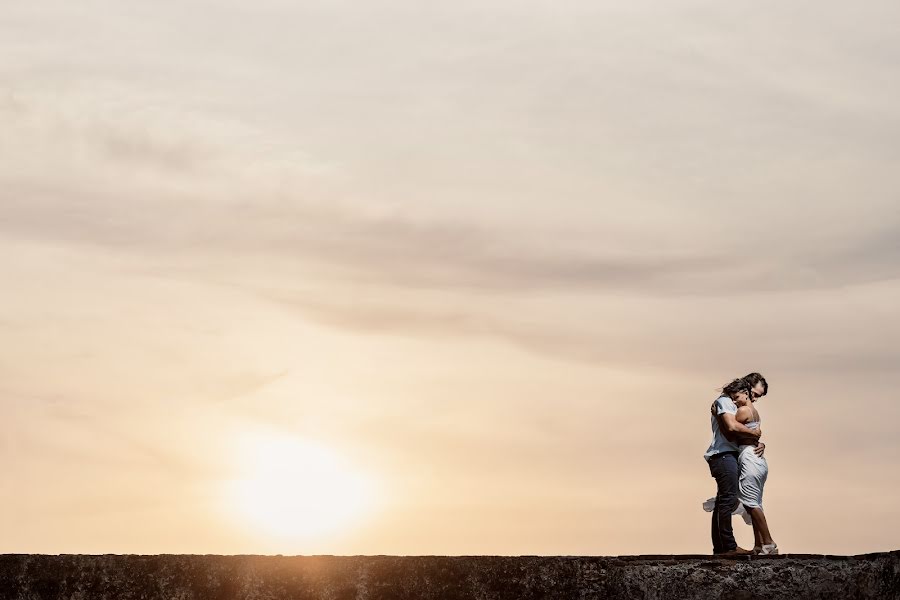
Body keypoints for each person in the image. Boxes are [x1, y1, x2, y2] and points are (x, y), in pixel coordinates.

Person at [702, 376, 765, 555]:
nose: (754, 399)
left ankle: (722, 547)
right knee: (728, 499)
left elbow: (738, 430)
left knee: (724, 500)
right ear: (745, 390)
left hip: (729, 454)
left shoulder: (734, 405)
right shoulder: (724, 402)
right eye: (753, 394)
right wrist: (754, 434)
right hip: (723, 455)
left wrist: (757, 441)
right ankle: (728, 547)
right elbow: (731, 429)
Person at [732, 381, 778, 554]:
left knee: (751, 503)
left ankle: (768, 542)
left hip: (750, 458)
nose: (756, 399)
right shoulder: (753, 412)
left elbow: (730, 429)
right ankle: (759, 545)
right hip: (757, 458)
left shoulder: (743, 410)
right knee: (755, 502)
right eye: (755, 394)